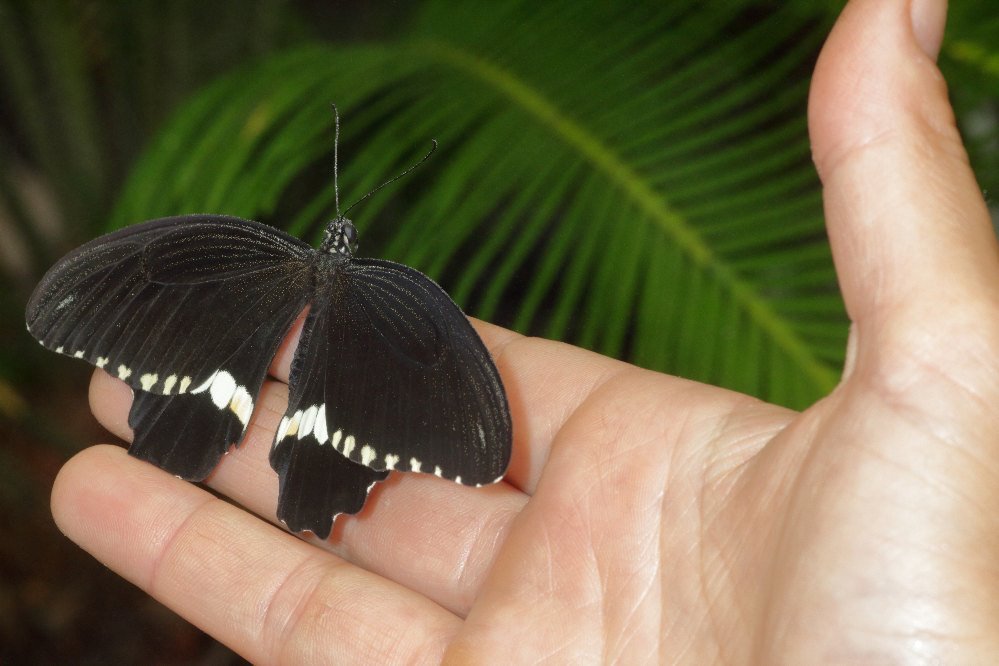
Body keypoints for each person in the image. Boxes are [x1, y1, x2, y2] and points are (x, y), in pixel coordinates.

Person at [51, 0, 999, 661]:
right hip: (234, 375)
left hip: (325, 409)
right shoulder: (400, 303)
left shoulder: (351, 292)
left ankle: (286, 436)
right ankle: (251, 420)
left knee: (293, 427)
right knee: (233, 402)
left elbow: (466, 417)